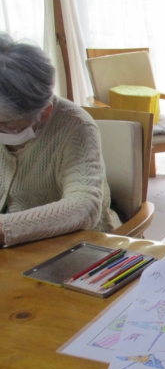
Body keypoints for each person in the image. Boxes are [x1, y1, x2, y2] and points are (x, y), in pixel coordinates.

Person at [0, 33, 119, 247]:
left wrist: (5, 227)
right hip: (13, 248)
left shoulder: (76, 126)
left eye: (5, 124)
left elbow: (83, 208)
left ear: (45, 112)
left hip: (75, 245)